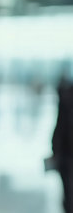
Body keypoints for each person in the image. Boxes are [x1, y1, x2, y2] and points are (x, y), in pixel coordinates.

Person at [51, 70, 73, 213]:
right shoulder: (67, 95)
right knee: (69, 199)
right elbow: (60, 125)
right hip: (67, 155)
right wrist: (55, 151)